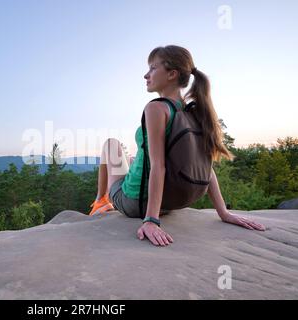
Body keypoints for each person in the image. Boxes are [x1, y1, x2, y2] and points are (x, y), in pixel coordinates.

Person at [88, 45, 266, 246]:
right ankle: (107, 199)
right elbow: (204, 165)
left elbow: (158, 166)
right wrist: (223, 212)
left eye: (153, 68)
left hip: (135, 203)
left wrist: (151, 220)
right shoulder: (194, 111)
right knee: (131, 159)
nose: (146, 75)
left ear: (172, 74)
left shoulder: (156, 108)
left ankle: (101, 200)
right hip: (171, 202)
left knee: (111, 145)